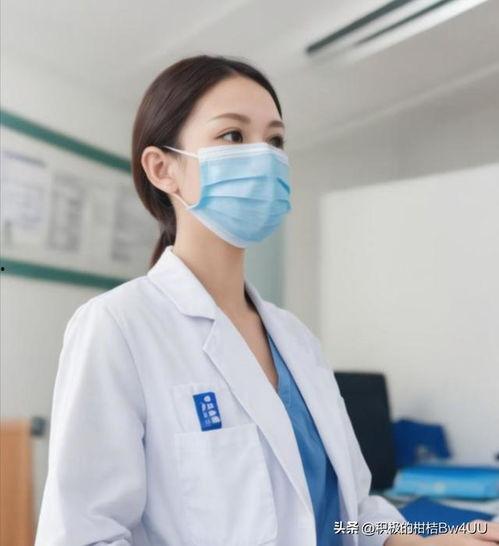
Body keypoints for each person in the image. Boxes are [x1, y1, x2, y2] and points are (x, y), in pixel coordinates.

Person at [34, 54, 499, 546]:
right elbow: (82, 535)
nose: (264, 157)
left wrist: (414, 542)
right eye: (233, 135)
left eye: (275, 141)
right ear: (162, 168)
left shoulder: (296, 339)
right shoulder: (118, 325)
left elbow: (352, 508)